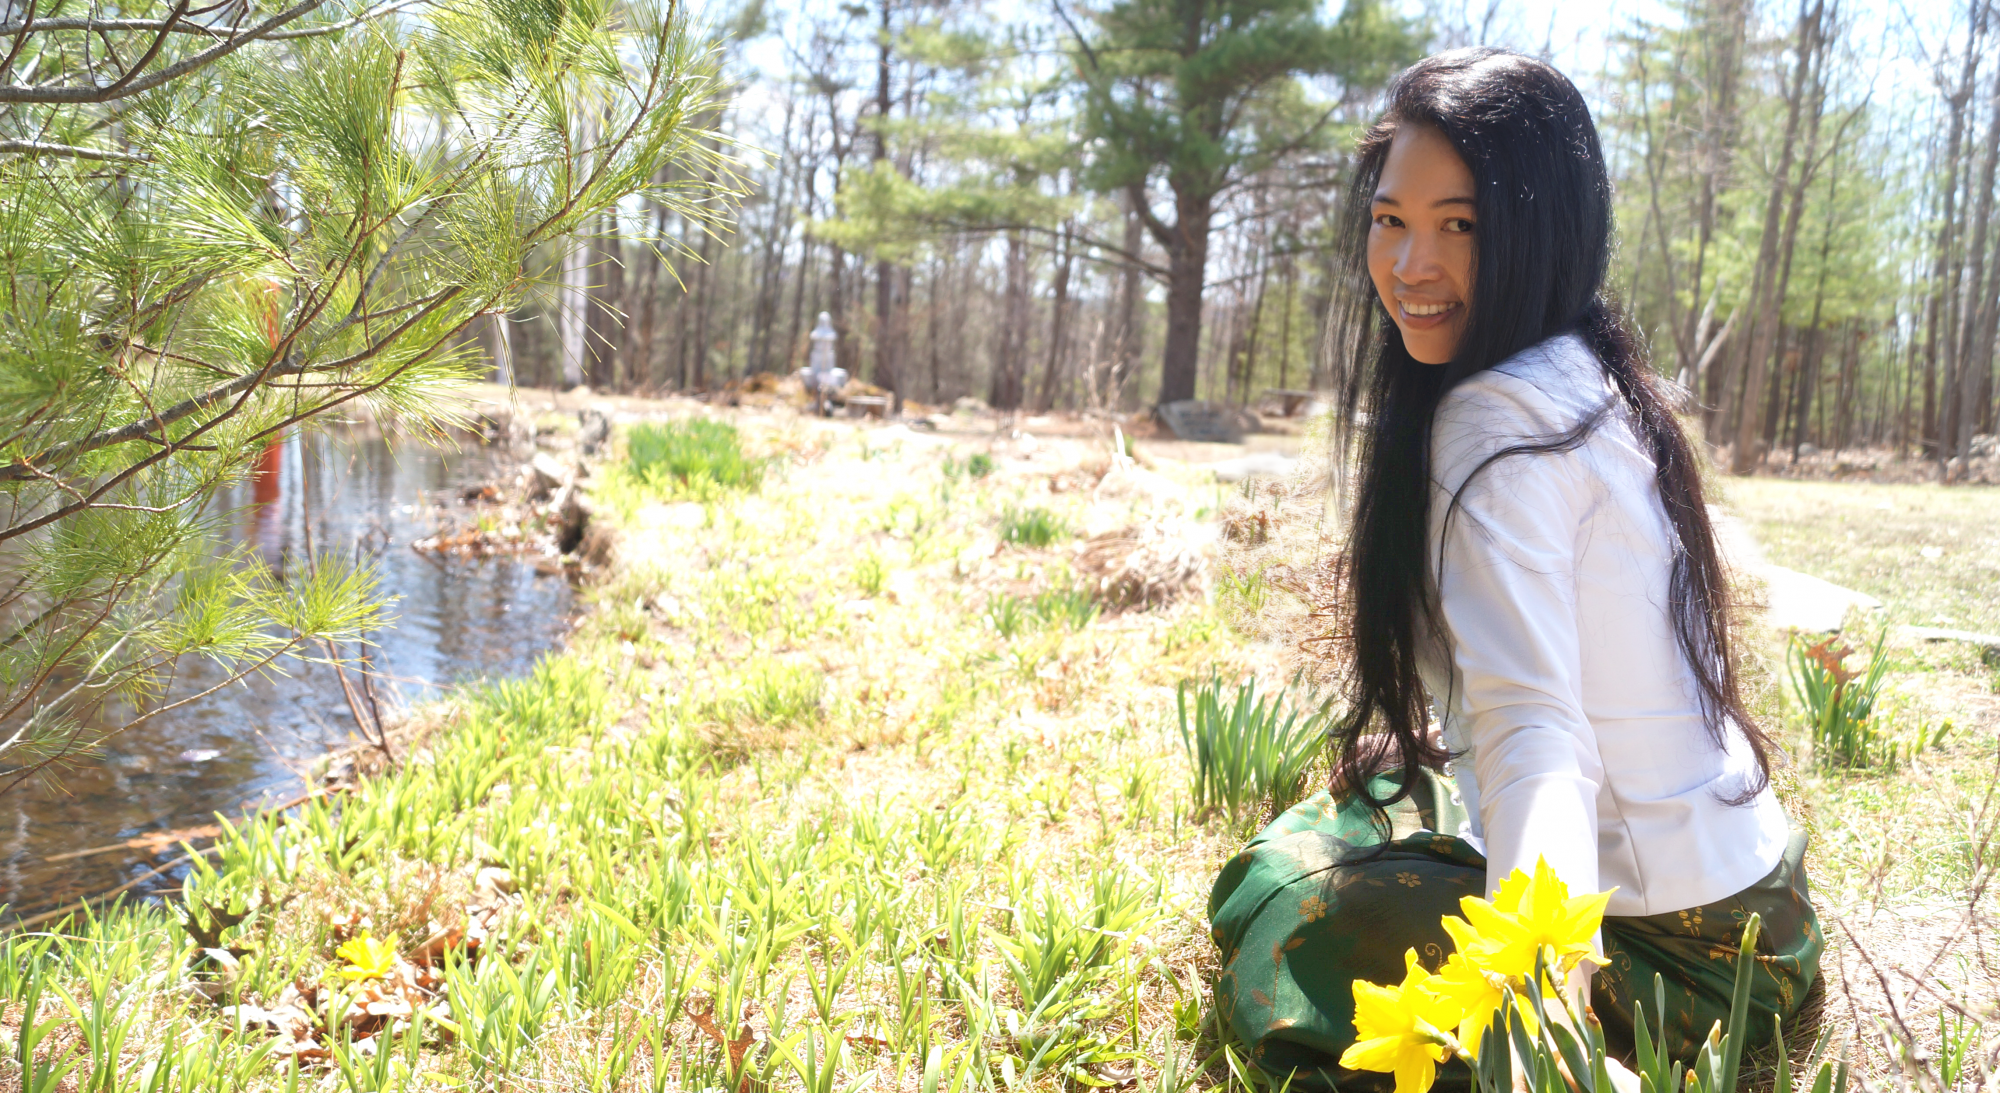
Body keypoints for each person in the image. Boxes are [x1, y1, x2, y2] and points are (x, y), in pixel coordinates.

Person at [1206, 48, 1822, 1089]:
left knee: (1280, 893)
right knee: (1361, 806)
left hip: (1671, 966)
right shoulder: (1586, 375)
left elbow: (1540, 733)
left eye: (1462, 225)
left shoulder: (1493, 423)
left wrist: (1537, 997)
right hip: (1764, 913)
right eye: (1390, 219)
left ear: (1540, 231)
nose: (1410, 264)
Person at [800, 312, 848, 415]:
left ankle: (829, 405)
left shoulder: (831, 333)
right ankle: (816, 405)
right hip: (817, 363)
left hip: (828, 364)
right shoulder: (816, 333)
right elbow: (814, 335)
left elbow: (832, 336)